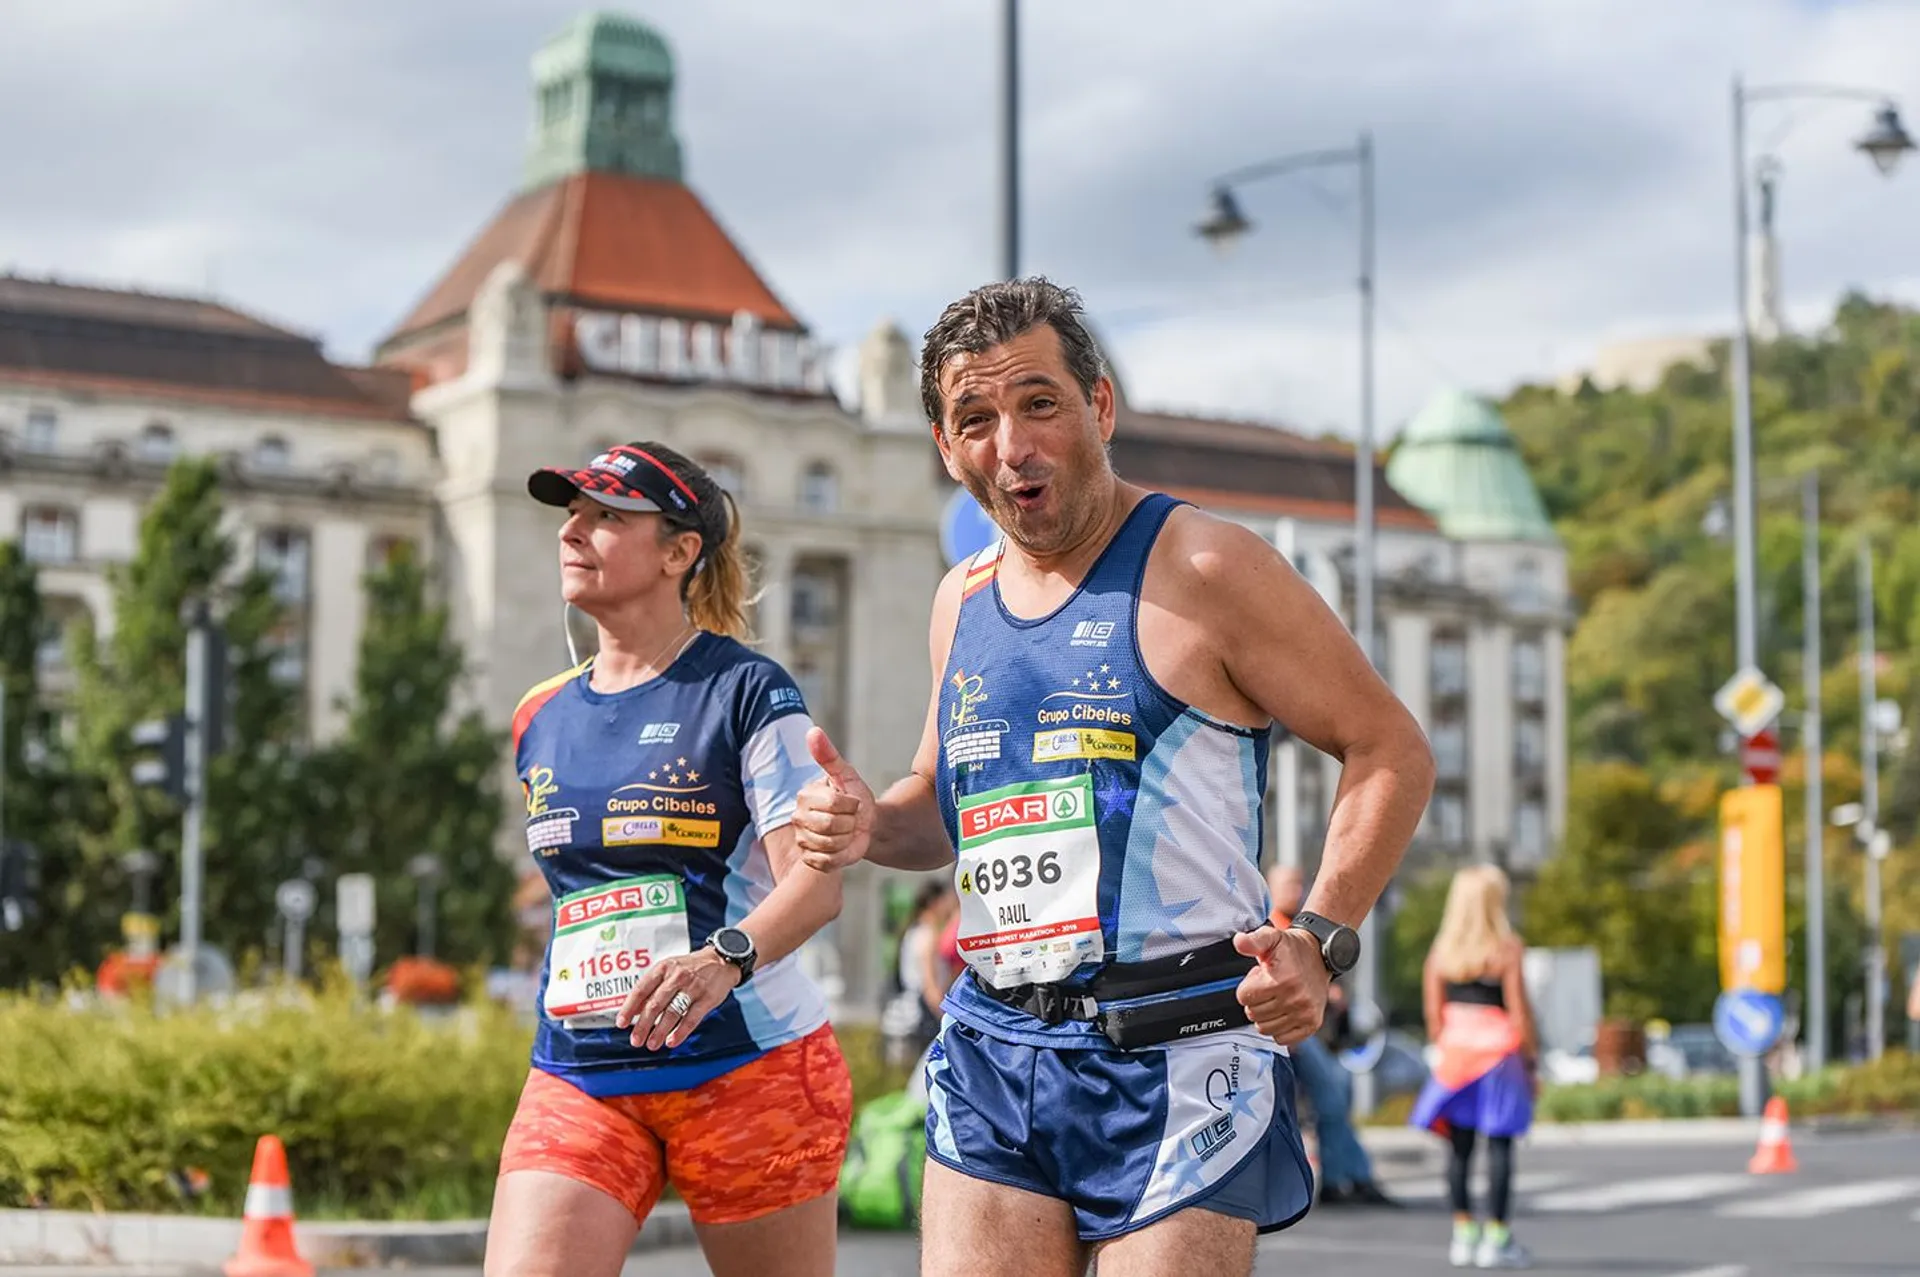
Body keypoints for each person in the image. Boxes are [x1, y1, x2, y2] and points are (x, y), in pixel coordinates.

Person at [793, 278, 1436, 1277]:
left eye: (1039, 403)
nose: (1012, 444)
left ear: (1099, 407)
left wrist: (1323, 936)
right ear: (945, 448)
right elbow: (939, 811)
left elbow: (1389, 747)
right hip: (997, 1041)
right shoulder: (957, 600)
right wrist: (865, 820)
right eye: (977, 418)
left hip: (1179, 1048)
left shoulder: (1209, 565)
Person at [485, 442, 852, 1277]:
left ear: (680, 551)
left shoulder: (748, 691)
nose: (574, 532)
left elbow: (816, 885)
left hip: (747, 1068)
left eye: (607, 516)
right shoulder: (537, 713)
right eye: (571, 514)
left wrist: (723, 958)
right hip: (581, 1072)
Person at [1409, 864, 1538, 1270]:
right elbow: (1519, 1012)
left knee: (1459, 1150)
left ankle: (1463, 1234)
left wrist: (1446, 1047)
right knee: (1500, 1145)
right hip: (1500, 1056)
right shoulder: (1507, 948)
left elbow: (1434, 1016)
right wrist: (1532, 1061)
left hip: (1456, 1057)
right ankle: (1497, 1238)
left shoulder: (1441, 953)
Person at [1266, 864, 1398, 1207]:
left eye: (1299, 883)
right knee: (1332, 1101)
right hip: (1293, 1032)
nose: (1297, 890)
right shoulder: (1273, 925)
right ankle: (1347, 1178)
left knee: (1335, 1102)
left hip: (1311, 1030)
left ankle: (1352, 1176)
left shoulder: (1300, 925)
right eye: (1289, 884)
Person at [884, 880, 958, 1066]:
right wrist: (945, 1017)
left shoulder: (914, 931)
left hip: (911, 1010)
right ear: (935, 903)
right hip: (923, 1013)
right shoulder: (927, 935)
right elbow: (929, 983)